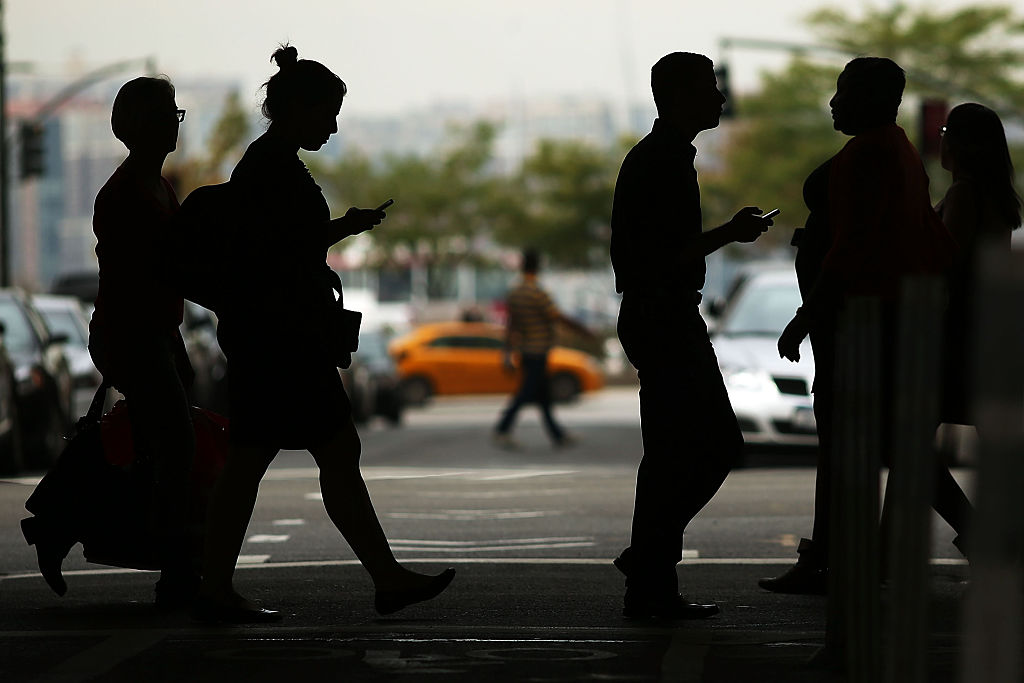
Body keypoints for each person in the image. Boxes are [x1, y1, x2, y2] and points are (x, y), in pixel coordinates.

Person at [196, 46, 454, 622]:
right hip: (281, 342)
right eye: (328, 113)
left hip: (271, 339)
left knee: (277, 458)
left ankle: (219, 585)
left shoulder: (268, 164)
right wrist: (340, 228)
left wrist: (339, 228)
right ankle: (380, 579)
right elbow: (281, 251)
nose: (333, 125)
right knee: (309, 454)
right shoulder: (272, 169)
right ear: (299, 109)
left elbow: (284, 245)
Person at [762, 57, 963, 595]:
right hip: (878, 317)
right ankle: (831, 554)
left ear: (879, 99)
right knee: (877, 444)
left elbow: (854, 246)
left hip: (859, 321)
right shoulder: (898, 151)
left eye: (845, 92)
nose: (834, 102)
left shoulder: (868, 155)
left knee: (854, 444)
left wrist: (806, 316)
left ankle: (833, 558)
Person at [609, 52, 773, 619]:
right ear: (679, 96)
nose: (722, 98)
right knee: (716, 446)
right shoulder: (662, 162)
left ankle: (650, 580)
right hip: (664, 317)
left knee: (668, 454)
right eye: (711, 88)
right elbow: (662, 255)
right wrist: (730, 233)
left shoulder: (661, 156)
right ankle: (649, 559)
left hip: (656, 315)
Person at [89, 77, 198, 607]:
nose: (172, 125)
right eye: (164, 115)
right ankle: (177, 572)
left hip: (153, 333)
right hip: (133, 335)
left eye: (174, 115)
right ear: (137, 125)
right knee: (176, 445)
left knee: (169, 446)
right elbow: (153, 273)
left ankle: (174, 560)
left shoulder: (156, 187)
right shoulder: (127, 194)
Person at [935, 103, 1021, 426]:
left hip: (958, 328)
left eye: (945, 133)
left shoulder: (964, 193)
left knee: (905, 439)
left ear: (957, 143)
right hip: (984, 324)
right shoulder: (994, 196)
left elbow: (946, 259)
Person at [492, 247, 594, 450]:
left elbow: (511, 325)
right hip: (538, 351)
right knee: (527, 392)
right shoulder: (537, 291)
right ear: (537, 267)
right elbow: (556, 316)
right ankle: (502, 428)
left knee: (543, 395)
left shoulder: (515, 292)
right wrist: (583, 330)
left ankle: (558, 435)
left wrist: (507, 352)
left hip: (524, 350)